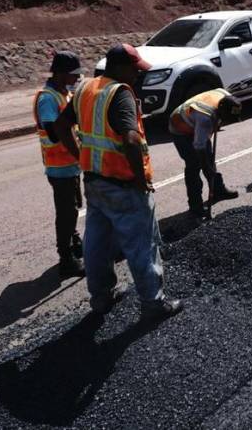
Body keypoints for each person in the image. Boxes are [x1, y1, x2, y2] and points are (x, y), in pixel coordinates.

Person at [55, 44, 182, 320]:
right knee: (141, 244)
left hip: (94, 182)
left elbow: (61, 126)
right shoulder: (120, 94)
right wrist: (139, 180)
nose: (137, 75)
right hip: (123, 184)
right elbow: (131, 139)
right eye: (135, 69)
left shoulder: (85, 89)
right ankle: (153, 302)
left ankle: (101, 297)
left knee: (97, 243)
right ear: (119, 67)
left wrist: (80, 158)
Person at [33, 51, 85, 278]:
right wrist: (79, 153)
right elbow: (55, 133)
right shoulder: (47, 98)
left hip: (70, 164)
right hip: (59, 166)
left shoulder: (64, 93)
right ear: (61, 74)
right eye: (74, 74)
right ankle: (66, 259)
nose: (77, 78)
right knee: (66, 212)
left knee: (73, 208)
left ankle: (74, 243)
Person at [169, 88, 242, 217]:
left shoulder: (225, 97)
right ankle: (195, 205)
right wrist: (206, 166)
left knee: (209, 159)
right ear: (220, 112)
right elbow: (199, 147)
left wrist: (208, 164)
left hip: (196, 120)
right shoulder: (205, 120)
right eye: (227, 119)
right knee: (194, 164)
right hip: (180, 127)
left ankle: (218, 190)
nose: (227, 122)